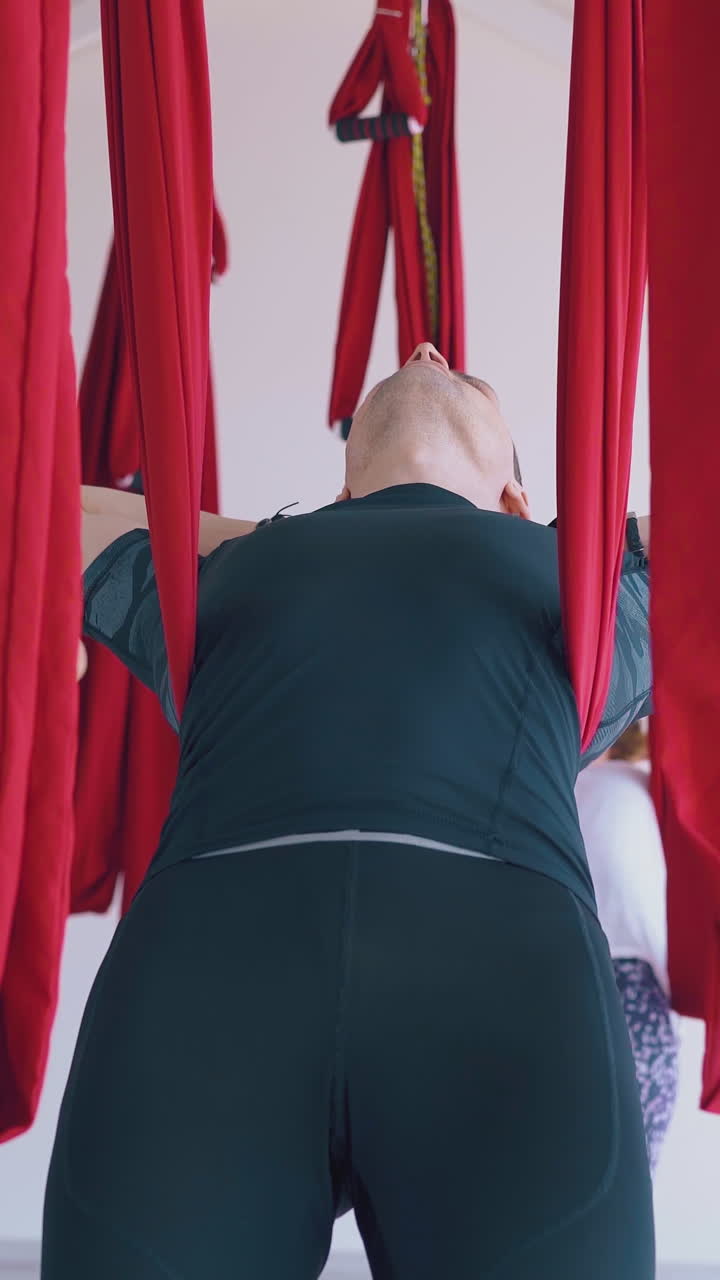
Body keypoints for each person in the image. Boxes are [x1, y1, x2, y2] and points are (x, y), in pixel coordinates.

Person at [43, 343, 654, 1279]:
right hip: (205, 1019)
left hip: (502, 1027)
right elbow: (34, 505)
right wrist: (274, 536)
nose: (426, 347)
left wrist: (270, 535)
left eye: (466, 376)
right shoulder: (211, 585)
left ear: (522, 503)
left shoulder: (591, 596)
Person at [575, 722, 679, 1174]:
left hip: (556, 970)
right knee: (632, 1169)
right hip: (637, 986)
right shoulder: (647, 787)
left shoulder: (552, 785)